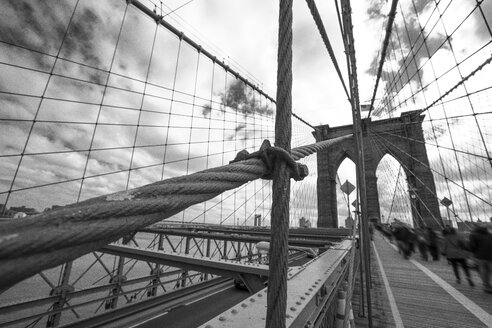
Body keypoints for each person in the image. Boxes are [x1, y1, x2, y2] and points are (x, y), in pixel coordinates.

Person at [469, 225, 492, 293]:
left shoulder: (473, 235)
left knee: (483, 271)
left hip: (480, 256)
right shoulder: (490, 235)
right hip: (491, 255)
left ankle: (487, 287)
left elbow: (472, 246)